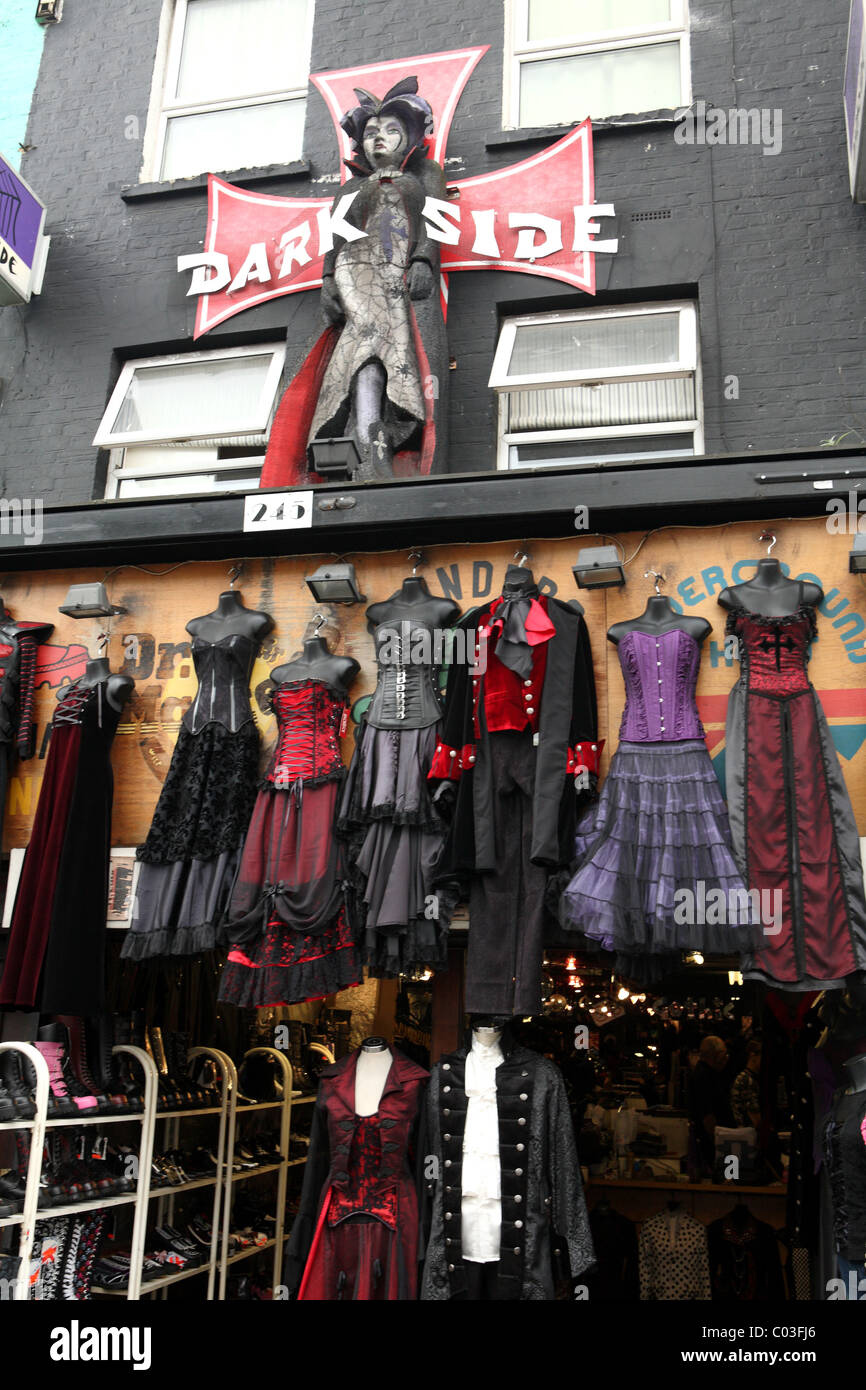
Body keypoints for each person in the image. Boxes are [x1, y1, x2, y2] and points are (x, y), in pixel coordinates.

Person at [261, 76, 449, 485]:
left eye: (391, 131)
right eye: (370, 133)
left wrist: (423, 261)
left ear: (412, 137)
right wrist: (329, 278)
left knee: (391, 349)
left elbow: (435, 220)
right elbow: (337, 237)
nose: (378, 140)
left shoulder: (426, 174)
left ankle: (378, 430)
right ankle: (366, 435)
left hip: (398, 271)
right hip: (356, 273)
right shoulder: (350, 186)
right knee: (365, 347)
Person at [688, 1035, 733, 1171]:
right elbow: (707, 1116)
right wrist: (719, 1146)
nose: (726, 1059)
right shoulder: (704, 1077)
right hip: (718, 1145)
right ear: (717, 1055)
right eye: (724, 1055)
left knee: (730, 1177)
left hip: (721, 1142)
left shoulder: (707, 1074)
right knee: (729, 1179)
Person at [730, 1038, 762, 1129]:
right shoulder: (746, 1080)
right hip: (747, 1134)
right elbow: (755, 1118)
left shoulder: (748, 1078)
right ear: (753, 1055)